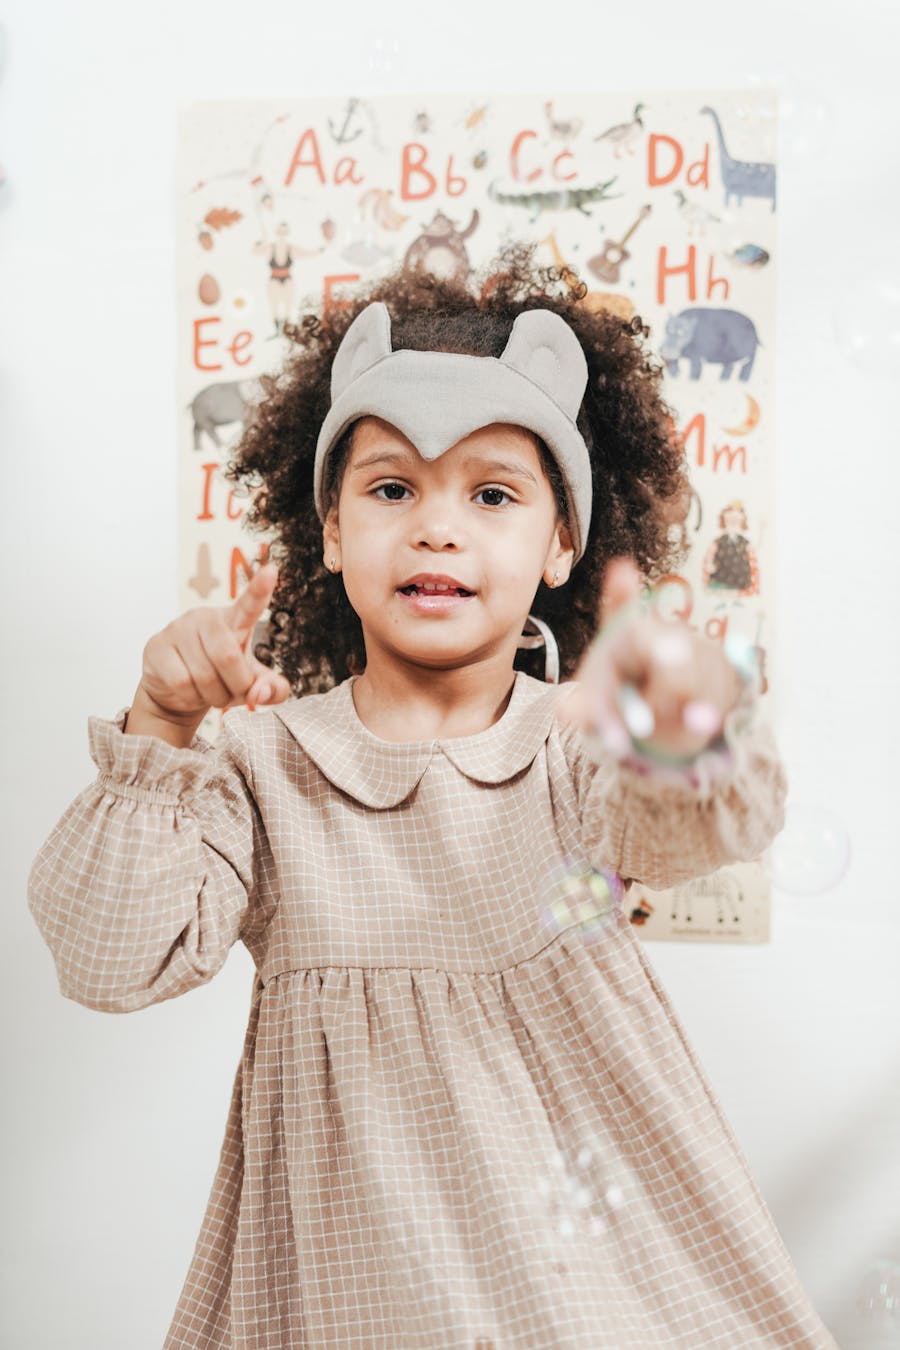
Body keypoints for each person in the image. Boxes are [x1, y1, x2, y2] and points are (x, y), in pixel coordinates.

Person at [27, 244, 837, 1349]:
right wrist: (161, 725)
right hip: (354, 1277)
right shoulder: (263, 773)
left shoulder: (572, 755)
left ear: (561, 543)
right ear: (329, 531)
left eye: (493, 492)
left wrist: (678, 726)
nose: (437, 526)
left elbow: (706, 821)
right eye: (393, 487)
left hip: (589, 1281)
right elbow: (108, 957)